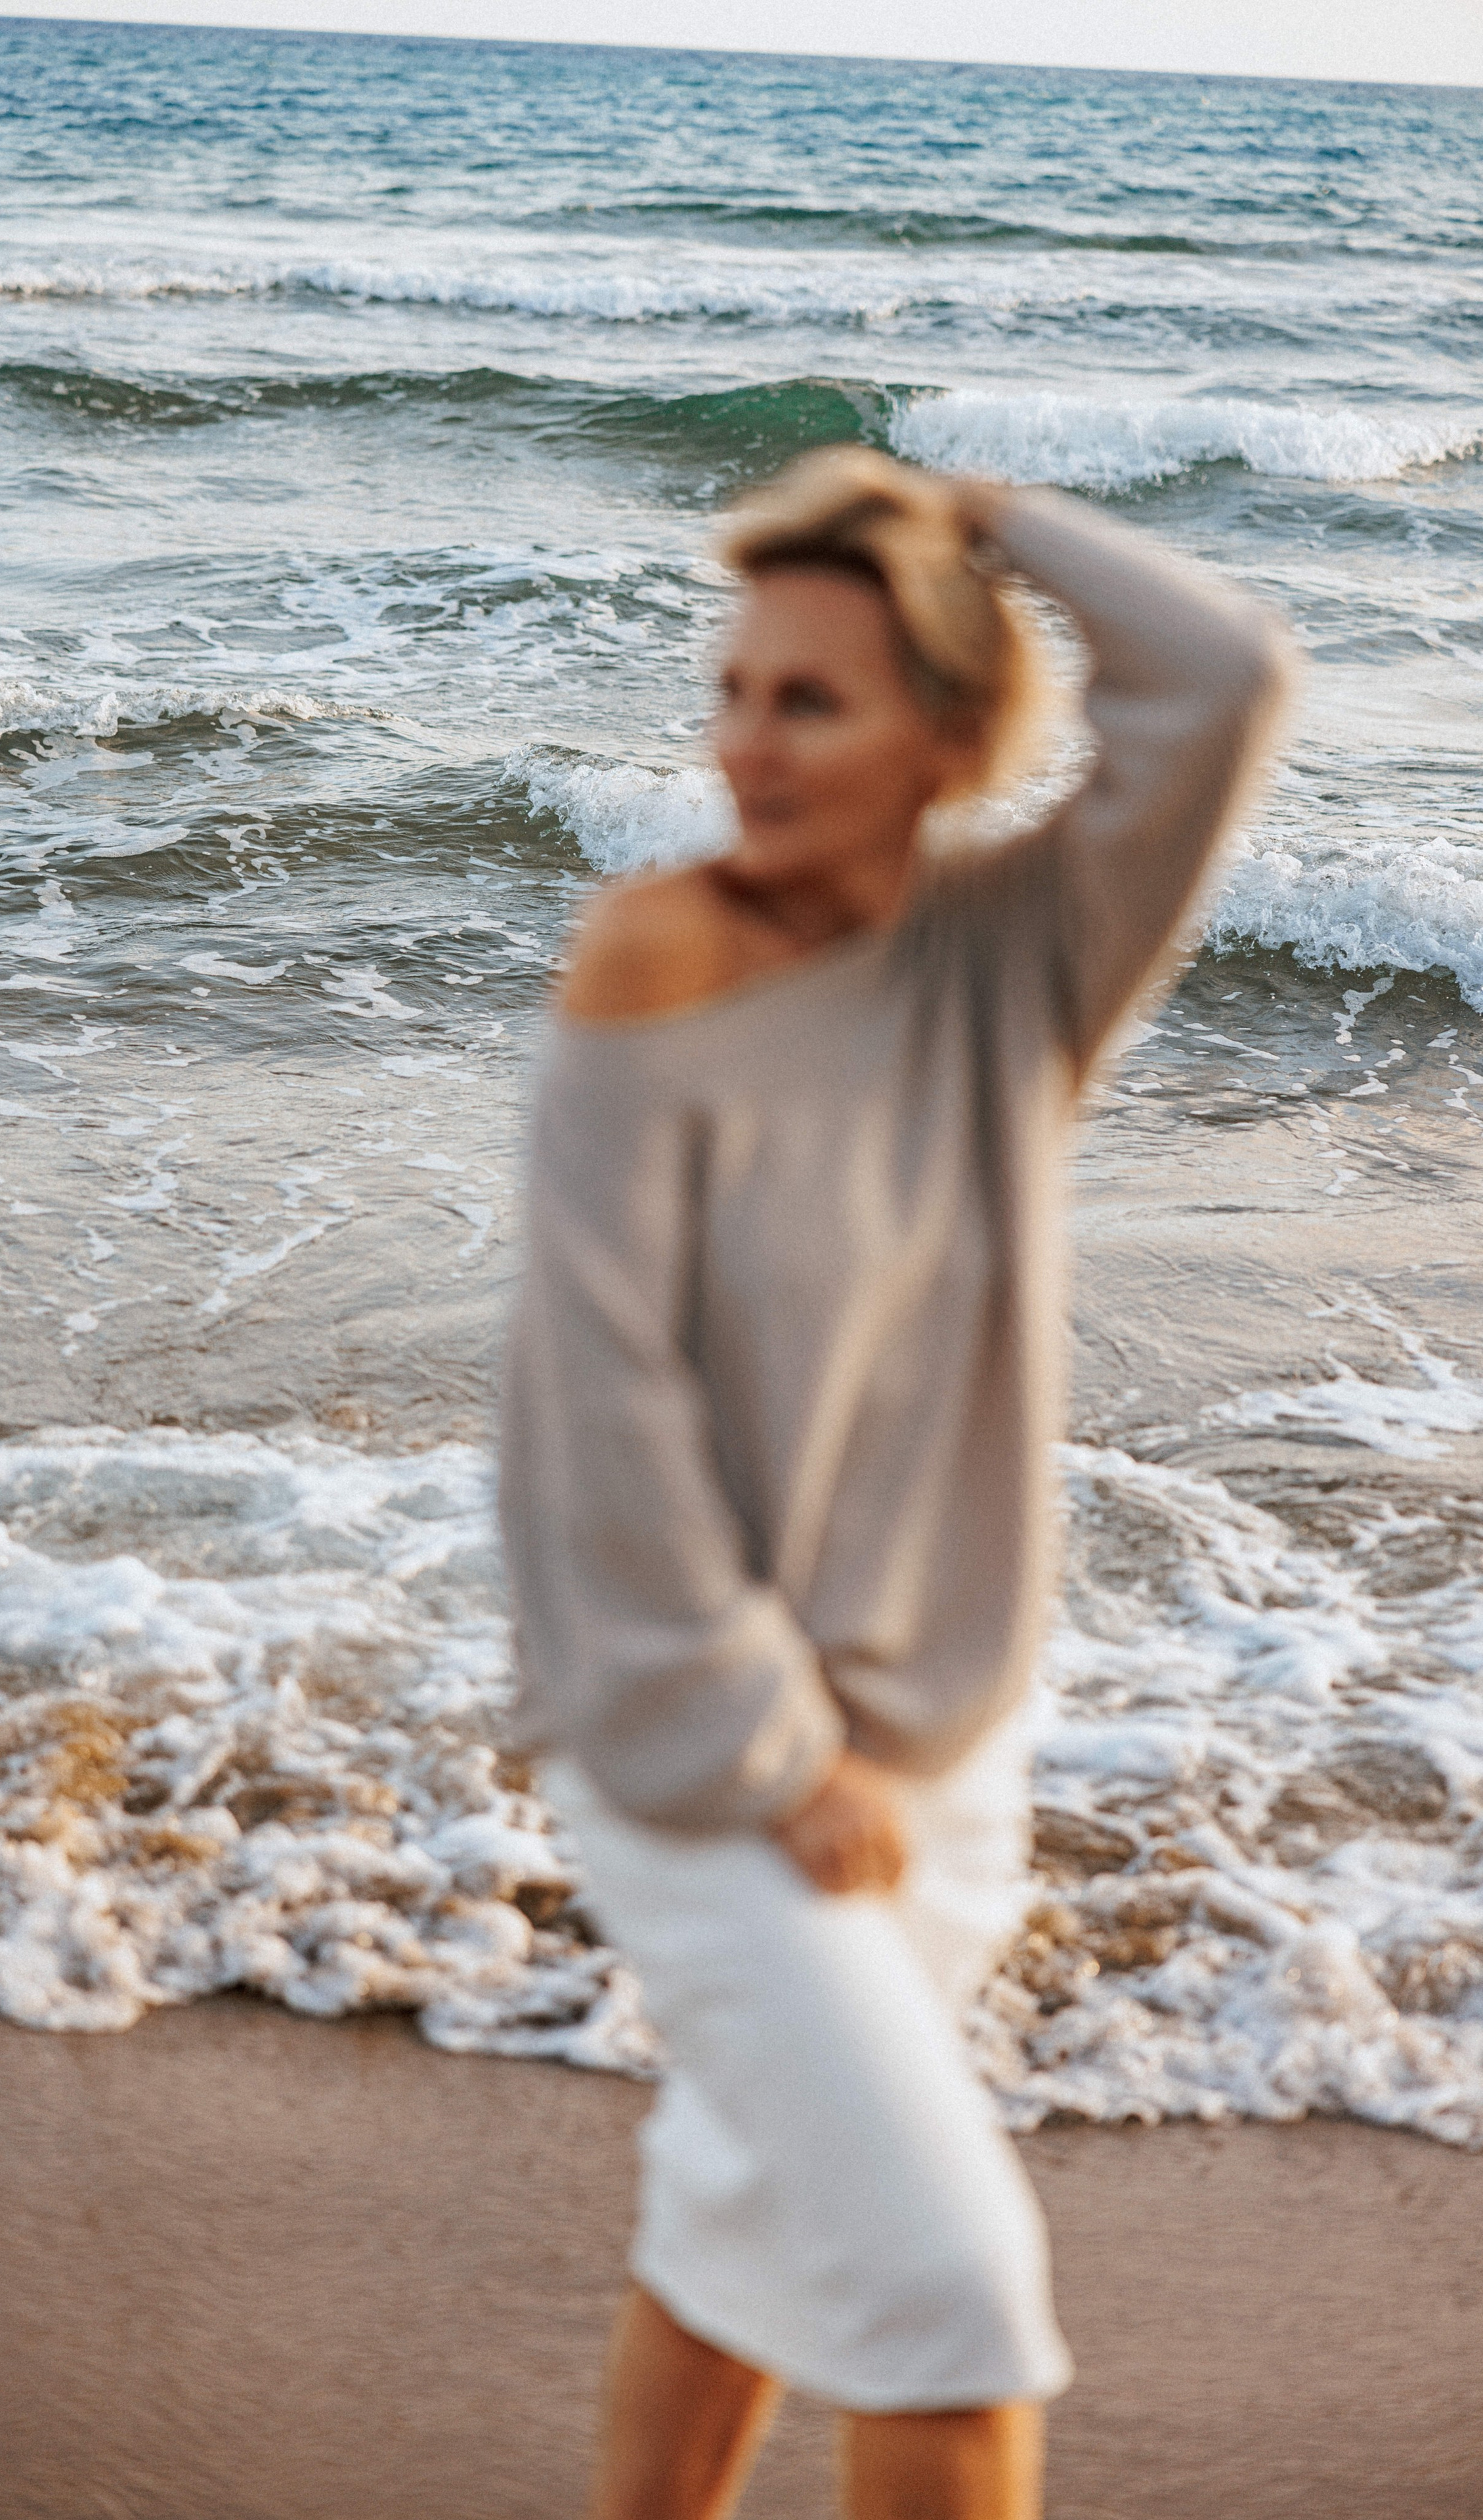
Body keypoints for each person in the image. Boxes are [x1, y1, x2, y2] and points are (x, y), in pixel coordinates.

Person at [500, 448, 1293, 2520]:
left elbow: (1221, 678)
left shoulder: (1018, 965)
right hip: (713, 1753)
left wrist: (988, 514)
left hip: (943, 1742)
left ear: (952, 735)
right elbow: (609, 1412)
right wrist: (777, 1758)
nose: (744, 744)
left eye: (814, 697)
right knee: (946, 2301)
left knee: (750, 2233)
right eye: (736, 687)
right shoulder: (652, 961)